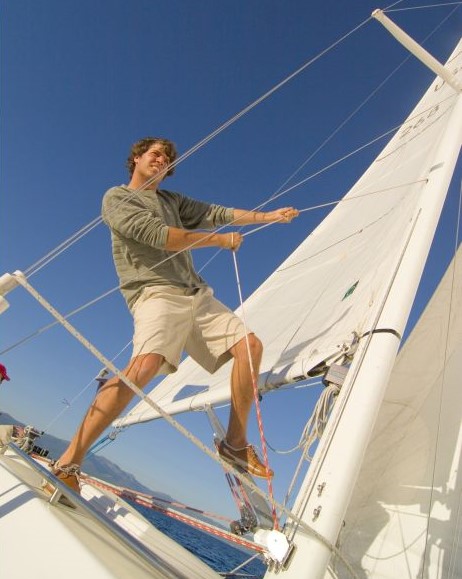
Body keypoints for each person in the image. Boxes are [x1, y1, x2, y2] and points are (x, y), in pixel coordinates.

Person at [46, 137, 299, 496]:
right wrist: (218, 242)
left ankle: (235, 444)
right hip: (154, 291)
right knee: (144, 366)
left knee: (249, 345)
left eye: (166, 158)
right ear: (136, 159)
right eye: (154, 154)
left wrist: (269, 217)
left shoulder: (172, 201)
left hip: (195, 293)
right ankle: (68, 463)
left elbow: (218, 213)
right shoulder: (117, 198)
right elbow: (158, 237)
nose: (161, 159)